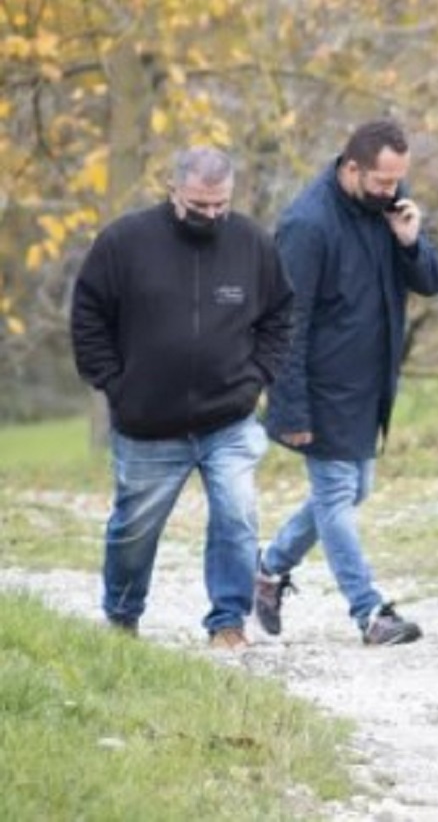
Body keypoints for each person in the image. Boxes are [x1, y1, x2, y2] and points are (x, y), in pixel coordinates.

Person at [70, 146, 294, 649]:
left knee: (238, 516)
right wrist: (114, 384)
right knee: (134, 530)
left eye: (221, 205)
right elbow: (88, 316)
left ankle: (228, 623)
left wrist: (257, 376)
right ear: (173, 192)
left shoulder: (253, 244)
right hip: (148, 422)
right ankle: (122, 618)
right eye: (199, 205)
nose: (211, 215)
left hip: (229, 420)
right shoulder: (124, 242)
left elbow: (280, 315)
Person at [255, 119, 438, 646]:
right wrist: (289, 411)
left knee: (354, 490)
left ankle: (267, 570)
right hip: (321, 389)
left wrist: (411, 242)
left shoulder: (387, 209)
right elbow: (284, 325)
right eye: (383, 182)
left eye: (397, 181)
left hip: (369, 385)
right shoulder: (307, 225)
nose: (392, 191)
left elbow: (432, 282)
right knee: (337, 495)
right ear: (352, 167)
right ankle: (369, 612)